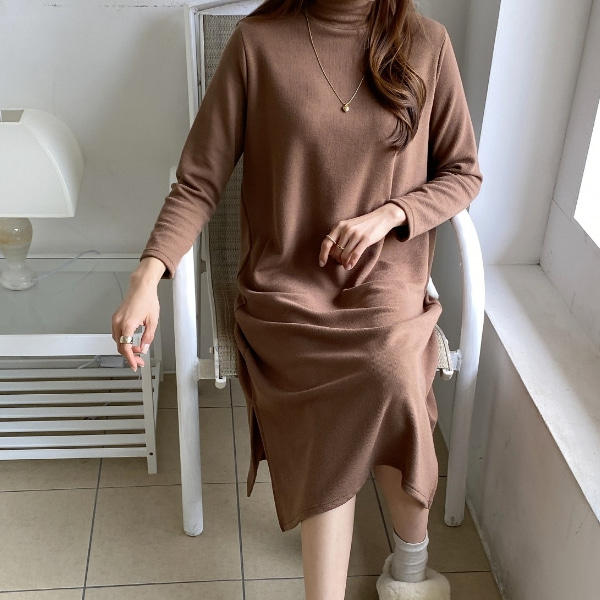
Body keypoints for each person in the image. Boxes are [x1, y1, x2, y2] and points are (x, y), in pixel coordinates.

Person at [112, 0, 482, 598]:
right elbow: (199, 180)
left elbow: (463, 173)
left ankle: (410, 568)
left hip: (385, 278)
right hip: (286, 284)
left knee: (389, 370)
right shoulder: (257, 44)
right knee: (341, 393)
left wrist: (391, 214)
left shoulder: (426, 43)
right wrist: (147, 276)